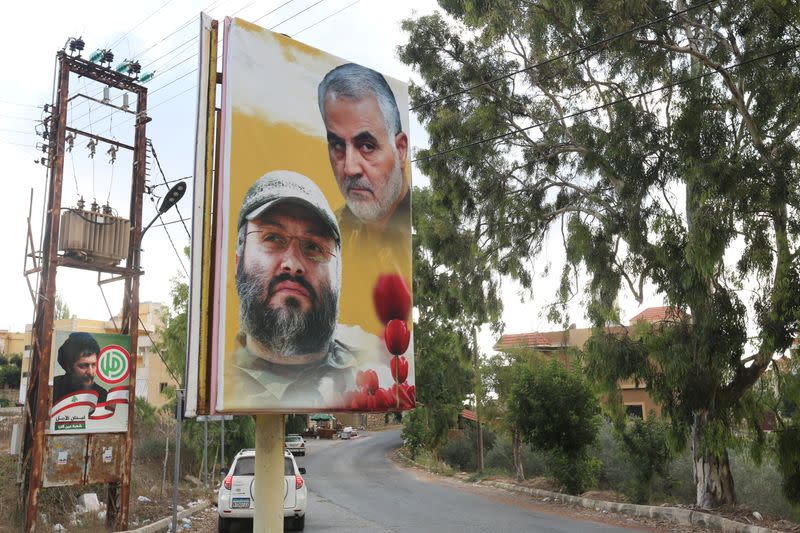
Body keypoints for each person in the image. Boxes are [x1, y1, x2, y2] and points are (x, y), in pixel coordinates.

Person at [228, 169, 368, 408]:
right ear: (238, 262)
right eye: (272, 238)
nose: (292, 264)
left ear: (338, 274)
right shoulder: (218, 382)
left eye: (313, 246)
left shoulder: (375, 372)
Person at [317, 63, 410, 243]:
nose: (350, 168)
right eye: (337, 145)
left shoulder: (421, 229)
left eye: (367, 146)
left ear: (400, 150)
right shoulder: (329, 233)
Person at [52, 332, 107, 404]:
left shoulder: (102, 395)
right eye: (84, 366)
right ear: (69, 367)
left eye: (93, 365)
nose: (90, 372)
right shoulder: (53, 388)